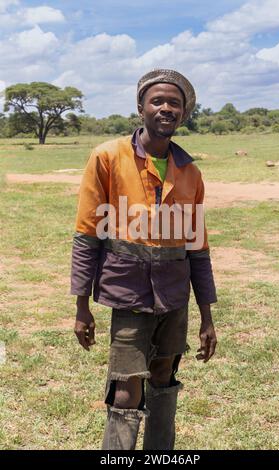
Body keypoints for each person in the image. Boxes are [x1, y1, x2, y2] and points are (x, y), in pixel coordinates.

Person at [71, 69, 218, 450]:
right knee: (125, 391)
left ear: (183, 114)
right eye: (158, 101)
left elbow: (197, 249)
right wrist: (81, 306)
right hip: (127, 295)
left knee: (164, 380)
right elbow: (88, 233)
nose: (166, 108)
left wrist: (207, 315)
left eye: (174, 103)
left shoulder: (190, 172)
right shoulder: (107, 157)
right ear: (141, 107)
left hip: (174, 298)